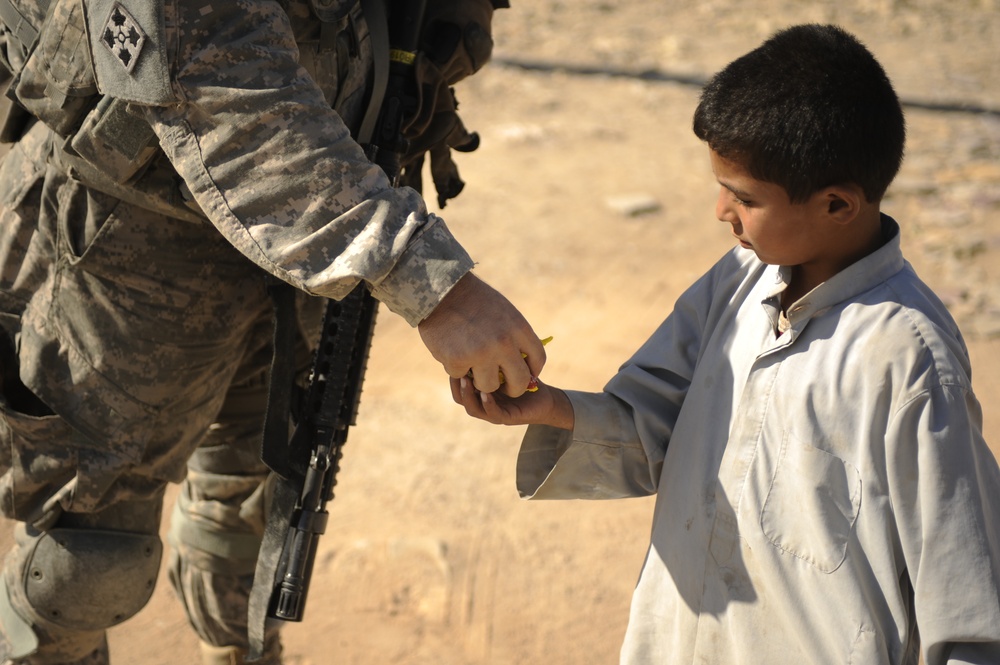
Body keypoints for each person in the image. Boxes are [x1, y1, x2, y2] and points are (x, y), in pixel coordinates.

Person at [0, 1, 545, 664]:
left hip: (311, 222)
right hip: (130, 242)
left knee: (252, 511)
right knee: (85, 561)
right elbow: (218, 80)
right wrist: (433, 285)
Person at [453, 23, 1000, 665]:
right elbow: (653, 426)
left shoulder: (906, 357)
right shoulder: (738, 282)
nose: (721, 211)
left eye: (743, 197)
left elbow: (964, 605)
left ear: (837, 206)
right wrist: (552, 410)